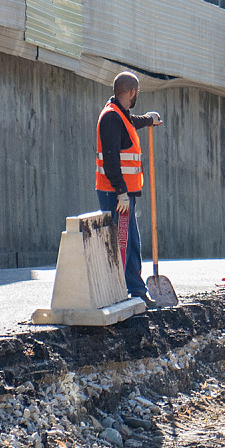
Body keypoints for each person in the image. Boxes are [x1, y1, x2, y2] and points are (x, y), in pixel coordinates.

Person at [96, 71, 162, 300]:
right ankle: (122, 293)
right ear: (132, 92)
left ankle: (136, 291)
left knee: (131, 241)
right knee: (122, 243)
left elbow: (131, 122)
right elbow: (111, 159)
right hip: (116, 194)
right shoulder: (111, 118)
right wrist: (122, 193)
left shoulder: (119, 115)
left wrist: (148, 119)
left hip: (123, 194)